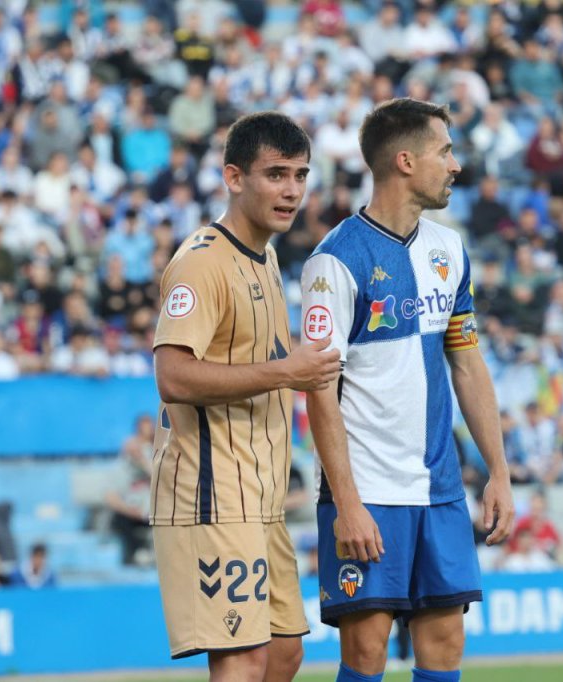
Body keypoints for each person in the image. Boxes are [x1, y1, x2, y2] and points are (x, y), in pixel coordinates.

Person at [300, 99, 514, 682]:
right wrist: (347, 503)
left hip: (439, 488)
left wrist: (498, 471)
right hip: (368, 490)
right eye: (445, 151)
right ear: (405, 161)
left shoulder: (449, 249)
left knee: (445, 644)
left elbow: (467, 363)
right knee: (367, 651)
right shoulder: (334, 261)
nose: (455, 165)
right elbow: (319, 391)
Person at [150, 112, 341, 682]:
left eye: (300, 175)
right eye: (275, 174)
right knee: (244, 659)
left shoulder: (266, 255)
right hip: (211, 489)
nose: (291, 190)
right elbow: (173, 376)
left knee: (284, 653)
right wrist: (286, 371)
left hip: (261, 492)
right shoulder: (202, 262)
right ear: (234, 177)